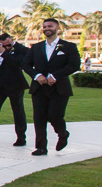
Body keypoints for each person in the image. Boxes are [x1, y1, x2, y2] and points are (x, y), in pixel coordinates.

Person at [22, 18, 81, 156]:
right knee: (39, 118)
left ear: (57, 28)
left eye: (50, 26)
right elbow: (25, 64)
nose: (47, 28)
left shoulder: (68, 47)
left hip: (59, 88)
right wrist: (37, 76)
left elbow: (74, 65)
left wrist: (55, 76)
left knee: (55, 116)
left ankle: (63, 133)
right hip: (39, 88)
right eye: (44, 26)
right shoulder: (36, 47)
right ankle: (41, 147)